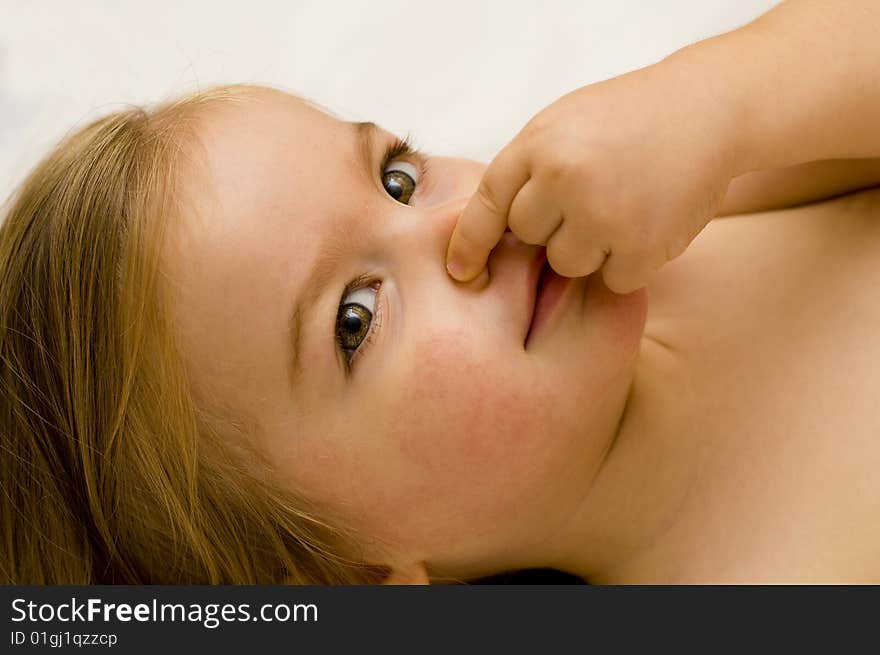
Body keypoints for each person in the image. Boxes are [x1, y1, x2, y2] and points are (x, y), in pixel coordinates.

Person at [1, 0, 879, 585]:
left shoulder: (689, 219)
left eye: (396, 177)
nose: (458, 221)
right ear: (355, 576)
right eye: (357, 317)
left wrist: (721, 98)